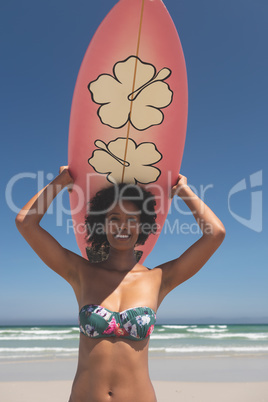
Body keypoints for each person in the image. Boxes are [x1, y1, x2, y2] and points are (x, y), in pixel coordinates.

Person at [15, 166, 225, 402]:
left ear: (143, 226)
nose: (123, 226)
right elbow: (26, 223)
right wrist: (61, 182)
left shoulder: (158, 278)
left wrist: (183, 191)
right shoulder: (81, 273)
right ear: (102, 225)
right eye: (114, 218)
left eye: (132, 219)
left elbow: (215, 234)